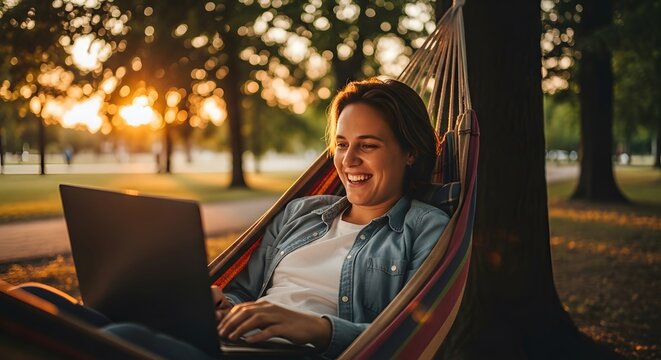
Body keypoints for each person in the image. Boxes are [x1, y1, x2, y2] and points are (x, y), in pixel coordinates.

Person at [12, 78, 450, 359]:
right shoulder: (303, 212)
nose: (348, 159)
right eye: (340, 144)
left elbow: (412, 337)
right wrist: (220, 304)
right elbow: (242, 293)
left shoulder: (425, 227)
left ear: (410, 151)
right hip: (234, 345)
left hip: (297, 353)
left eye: (368, 145)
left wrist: (315, 330)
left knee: (99, 333)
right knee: (34, 294)